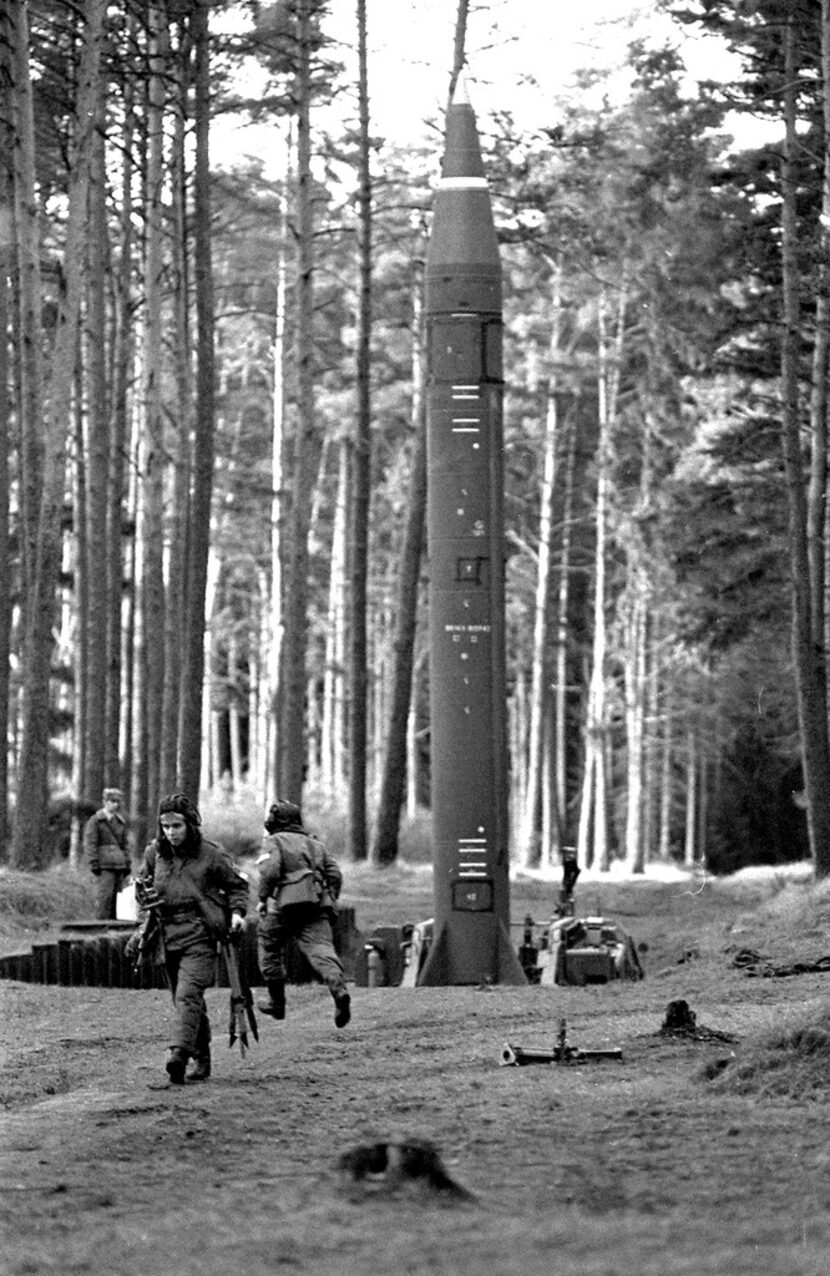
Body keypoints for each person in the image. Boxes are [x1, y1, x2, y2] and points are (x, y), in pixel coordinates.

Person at [135, 793, 249, 1085]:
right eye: (165, 826)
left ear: (191, 825)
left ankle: (179, 1056)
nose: (170, 832)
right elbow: (142, 884)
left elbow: (237, 885)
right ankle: (203, 1056)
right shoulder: (154, 854)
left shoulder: (211, 854)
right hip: (165, 936)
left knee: (188, 995)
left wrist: (237, 913)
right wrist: (142, 898)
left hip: (200, 935)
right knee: (185, 1000)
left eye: (177, 826)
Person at [256, 800, 351, 1029]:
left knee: (268, 944)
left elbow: (270, 871)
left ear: (274, 821)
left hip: (284, 907)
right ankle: (339, 990)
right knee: (321, 949)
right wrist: (330, 899)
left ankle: (277, 1003)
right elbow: (335, 874)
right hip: (316, 905)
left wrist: (263, 898)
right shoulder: (316, 845)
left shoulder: (273, 841)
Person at [84, 788, 131, 920]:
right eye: (112, 801)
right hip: (104, 863)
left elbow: (125, 845)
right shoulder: (95, 821)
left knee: (118, 896)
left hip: (119, 863)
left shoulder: (120, 822)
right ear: (105, 801)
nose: (115, 805)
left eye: (117, 802)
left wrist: (127, 862)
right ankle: (100, 924)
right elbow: (90, 843)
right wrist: (93, 861)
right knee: (105, 896)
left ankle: (114, 925)